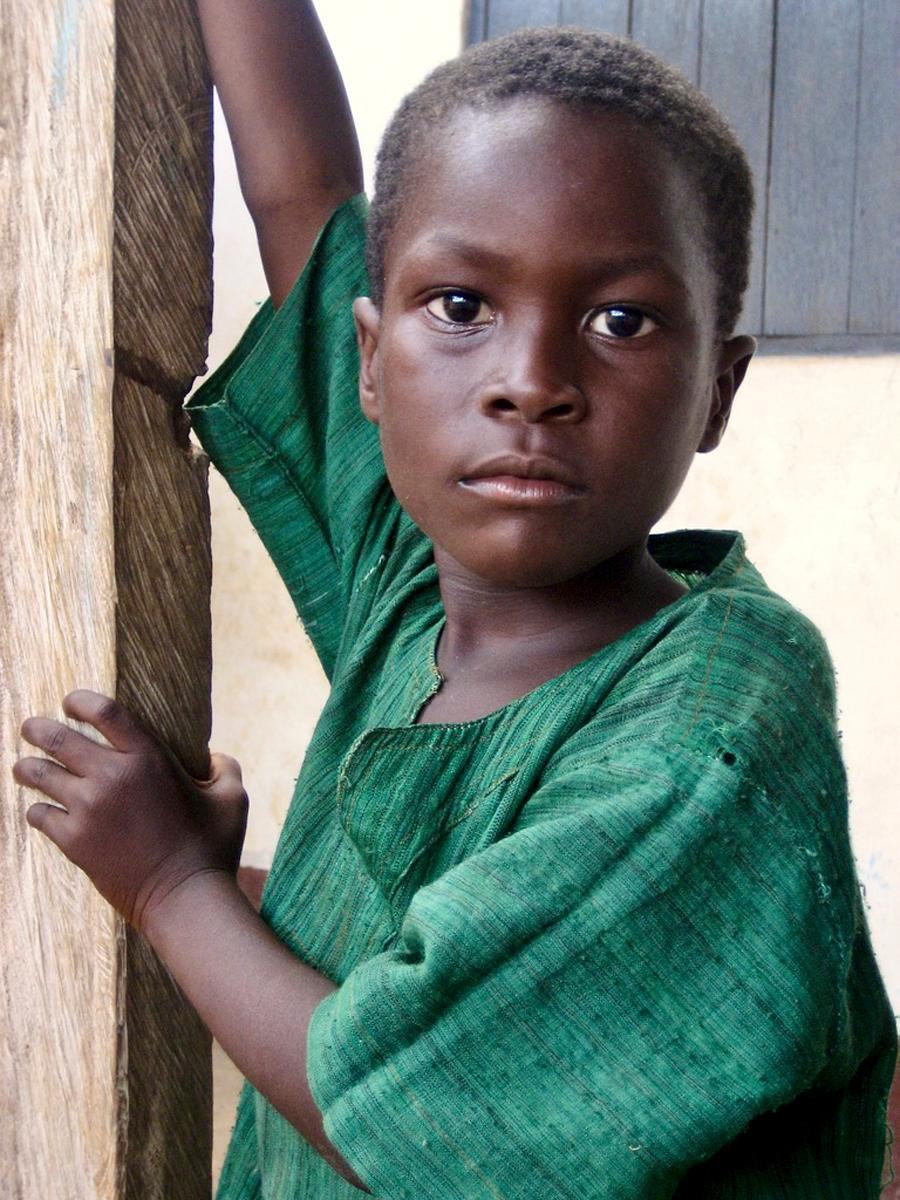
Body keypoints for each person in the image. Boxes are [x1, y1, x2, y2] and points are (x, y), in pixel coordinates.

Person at [13, 4, 896, 1197]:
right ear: (370, 359)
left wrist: (172, 888)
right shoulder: (410, 581)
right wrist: (234, 894)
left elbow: (420, 1120)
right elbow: (302, 191)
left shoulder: (713, 734)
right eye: (462, 308)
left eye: (619, 320)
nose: (531, 383)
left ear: (718, 390)